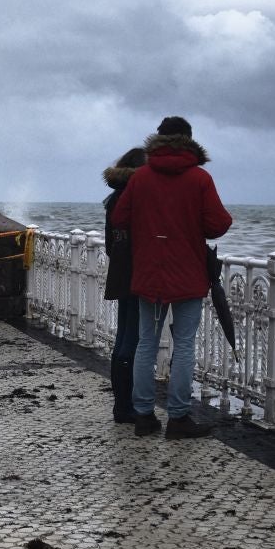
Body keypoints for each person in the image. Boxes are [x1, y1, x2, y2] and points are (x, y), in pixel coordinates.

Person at [111, 116, 232, 439]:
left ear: (158, 140)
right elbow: (217, 224)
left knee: (146, 344)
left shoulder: (141, 178)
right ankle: (178, 417)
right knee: (185, 344)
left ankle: (144, 415)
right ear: (189, 141)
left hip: (149, 272)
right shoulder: (199, 179)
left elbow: (121, 217)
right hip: (188, 274)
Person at [102, 147, 147, 424]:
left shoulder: (114, 198)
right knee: (132, 339)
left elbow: (110, 243)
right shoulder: (135, 197)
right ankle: (124, 406)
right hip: (136, 273)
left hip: (120, 271)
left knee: (123, 339)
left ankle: (121, 404)